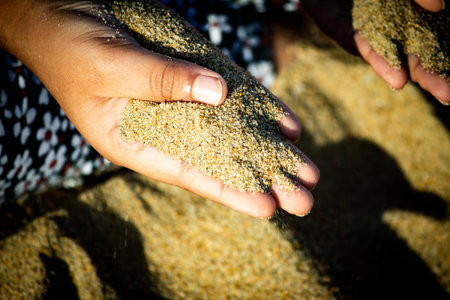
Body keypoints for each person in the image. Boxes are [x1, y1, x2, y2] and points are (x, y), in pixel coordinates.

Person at [0, 0, 446, 218]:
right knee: (214, 53)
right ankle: (275, 36)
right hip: (32, 112)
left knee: (177, 42)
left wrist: (25, 13)